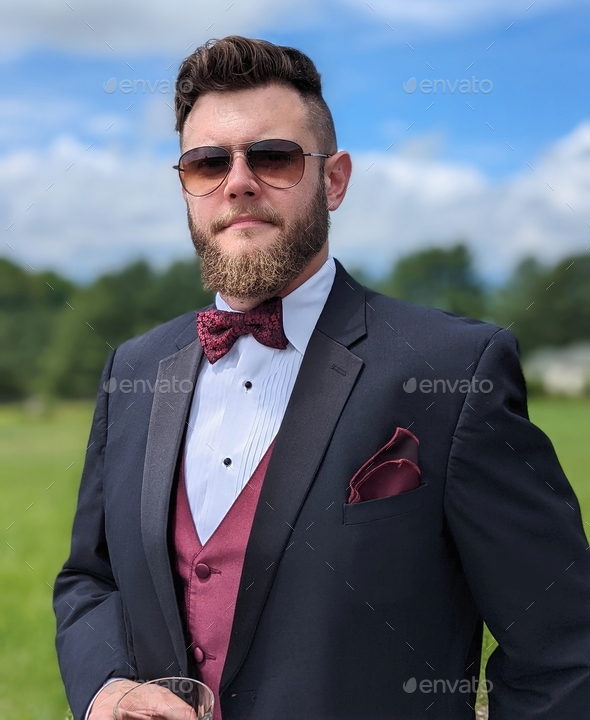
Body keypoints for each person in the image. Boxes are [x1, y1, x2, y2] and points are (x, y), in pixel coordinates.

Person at [53, 36, 590, 720]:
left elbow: (564, 646)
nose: (237, 180)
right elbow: (90, 578)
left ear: (333, 180)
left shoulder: (454, 370)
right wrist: (107, 686)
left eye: (272, 157)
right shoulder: (133, 369)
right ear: (186, 187)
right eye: (207, 163)